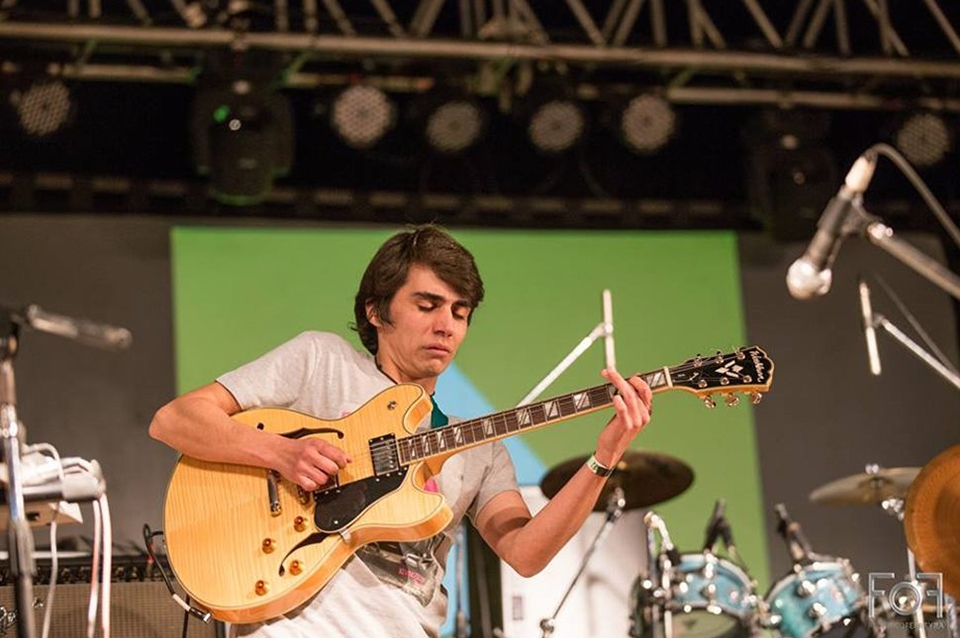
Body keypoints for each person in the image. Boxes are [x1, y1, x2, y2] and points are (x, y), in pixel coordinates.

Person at [149, 224, 653, 638]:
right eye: (427, 305)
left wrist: (604, 458)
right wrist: (282, 453)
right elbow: (174, 419)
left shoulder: (479, 447)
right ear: (376, 311)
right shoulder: (321, 361)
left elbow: (526, 553)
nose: (446, 325)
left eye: (460, 312)